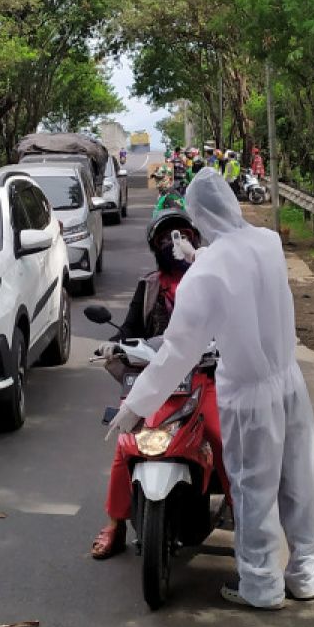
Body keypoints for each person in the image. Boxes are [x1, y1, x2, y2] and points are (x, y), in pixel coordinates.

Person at [105, 169, 314, 609]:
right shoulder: (266, 242)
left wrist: (136, 404)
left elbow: (177, 351)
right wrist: (200, 259)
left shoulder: (206, 273)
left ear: (198, 216)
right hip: (289, 380)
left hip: (248, 395)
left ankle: (261, 585)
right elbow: (241, 278)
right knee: (299, 481)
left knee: (254, 490)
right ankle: (307, 571)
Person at [91, 210, 224, 559]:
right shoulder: (149, 286)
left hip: (203, 377)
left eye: (181, 234)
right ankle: (115, 524)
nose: (174, 243)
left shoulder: (212, 281)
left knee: (222, 436)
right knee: (126, 443)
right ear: (154, 246)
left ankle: (244, 513)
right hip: (155, 379)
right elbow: (130, 329)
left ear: (194, 240)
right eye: (165, 238)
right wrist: (114, 344)